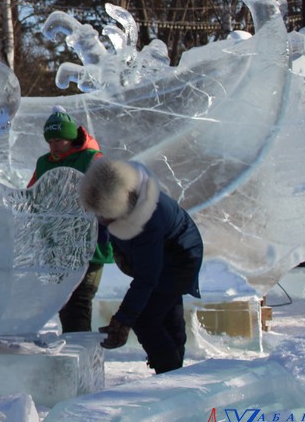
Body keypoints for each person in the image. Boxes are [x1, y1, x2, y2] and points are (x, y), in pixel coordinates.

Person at [77, 159, 203, 374]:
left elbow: (147, 278)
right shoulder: (113, 197)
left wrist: (122, 320)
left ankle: (168, 373)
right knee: (166, 314)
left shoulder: (148, 221)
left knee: (146, 318)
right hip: (160, 251)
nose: (102, 220)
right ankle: (175, 374)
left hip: (181, 256)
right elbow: (102, 228)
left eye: (105, 216)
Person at [27, 107, 111, 333]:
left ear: (71, 138)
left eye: (59, 140)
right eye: (50, 141)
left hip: (89, 243)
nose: (53, 145)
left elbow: (107, 195)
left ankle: (78, 352)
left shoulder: (92, 159)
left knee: (80, 298)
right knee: (65, 299)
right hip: (58, 243)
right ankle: (74, 347)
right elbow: (32, 194)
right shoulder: (44, 162)